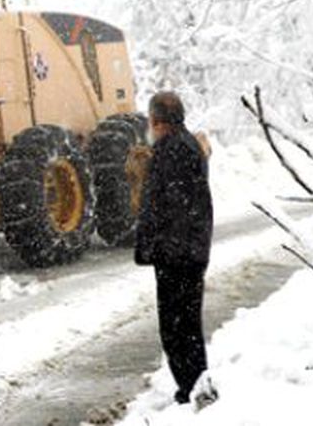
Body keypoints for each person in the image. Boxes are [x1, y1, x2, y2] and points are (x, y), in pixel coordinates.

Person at [134, 91, 217, 407]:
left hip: (177, 255)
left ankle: (192, 391)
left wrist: (159, 247)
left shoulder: (170, 152)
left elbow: (166, 207)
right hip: (190, 250)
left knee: (177, 328)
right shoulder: (188, 146)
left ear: (156, 121)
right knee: (187, 325)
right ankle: (195, 386)